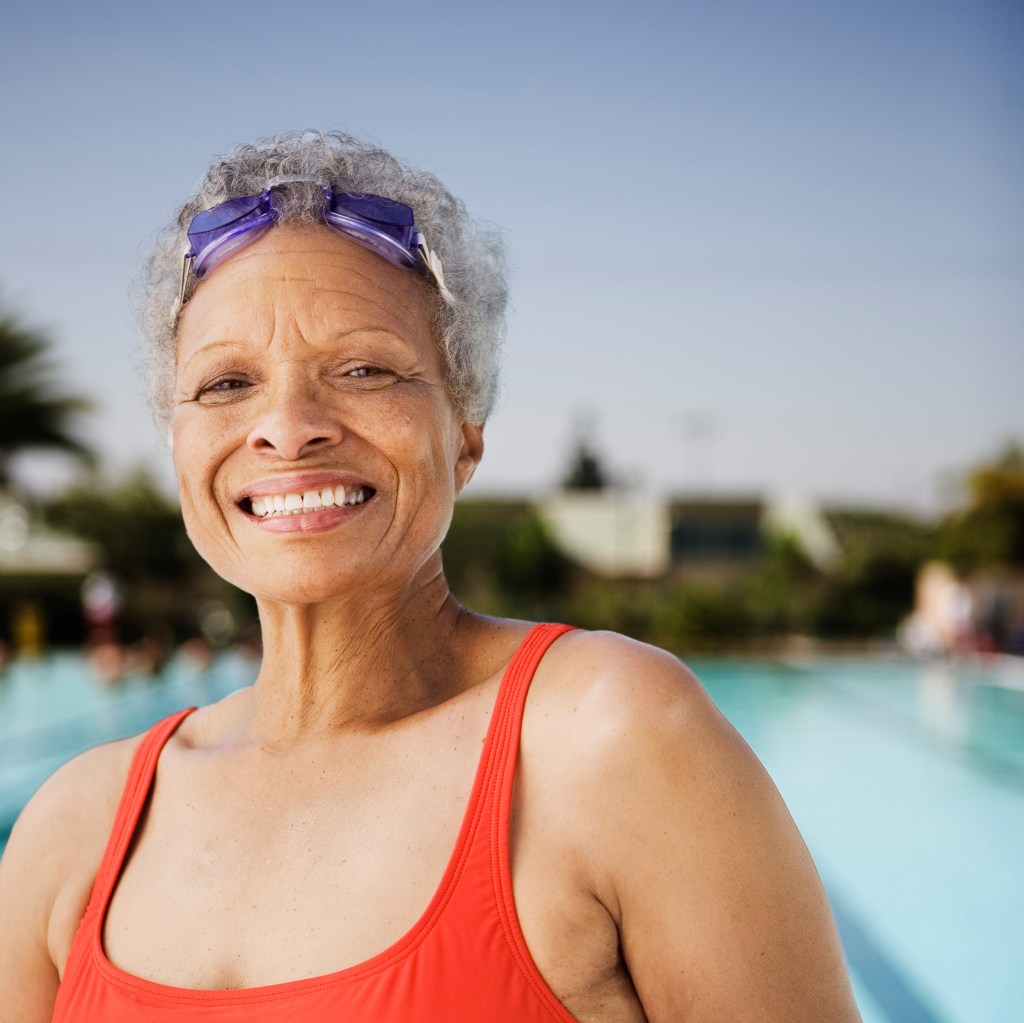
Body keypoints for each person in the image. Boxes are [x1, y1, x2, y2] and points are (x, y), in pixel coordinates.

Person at [0, 131, 861, 1022]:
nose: (288, 428)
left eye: (364, 368)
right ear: (175, 443)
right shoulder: (75, 830)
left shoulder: (610, 742)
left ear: (465, 431)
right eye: (225, 385)